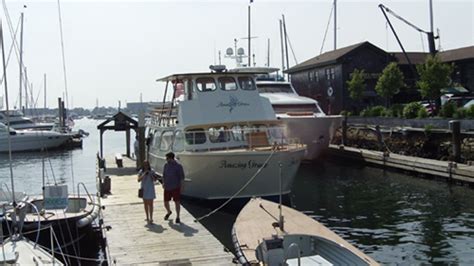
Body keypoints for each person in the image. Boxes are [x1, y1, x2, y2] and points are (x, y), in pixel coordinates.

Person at [162, 152, 185, 224]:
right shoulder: (166, 165)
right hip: (167, 186)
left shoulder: (178, 166)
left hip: (175, 186)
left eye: (167, 158)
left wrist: (182, 187)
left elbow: (182, 177)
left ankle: (178, 217)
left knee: (177, 202)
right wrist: (163, 183)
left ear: (171, 158)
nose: (166, 159)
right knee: (165, 202)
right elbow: (164, 175)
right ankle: (169, 212)